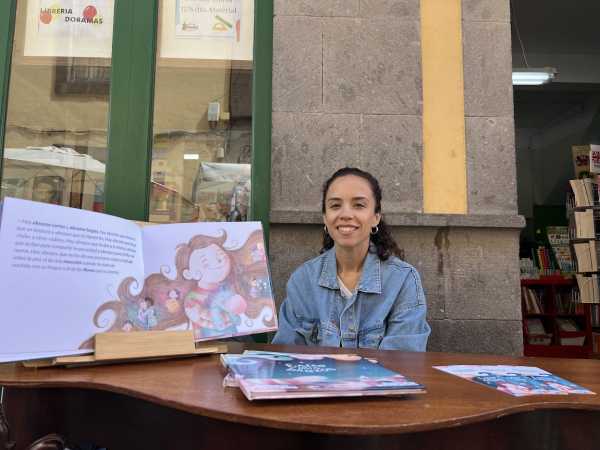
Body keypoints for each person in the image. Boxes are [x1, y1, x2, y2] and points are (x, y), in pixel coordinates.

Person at [272, 167, 430, 351]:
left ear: (376, 217)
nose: (346, 214)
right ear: (325, 217)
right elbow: (285, 356)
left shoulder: (403, 280)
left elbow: (403, 362)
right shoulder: (303, 281)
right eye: (335, 205)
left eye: (359, 205)